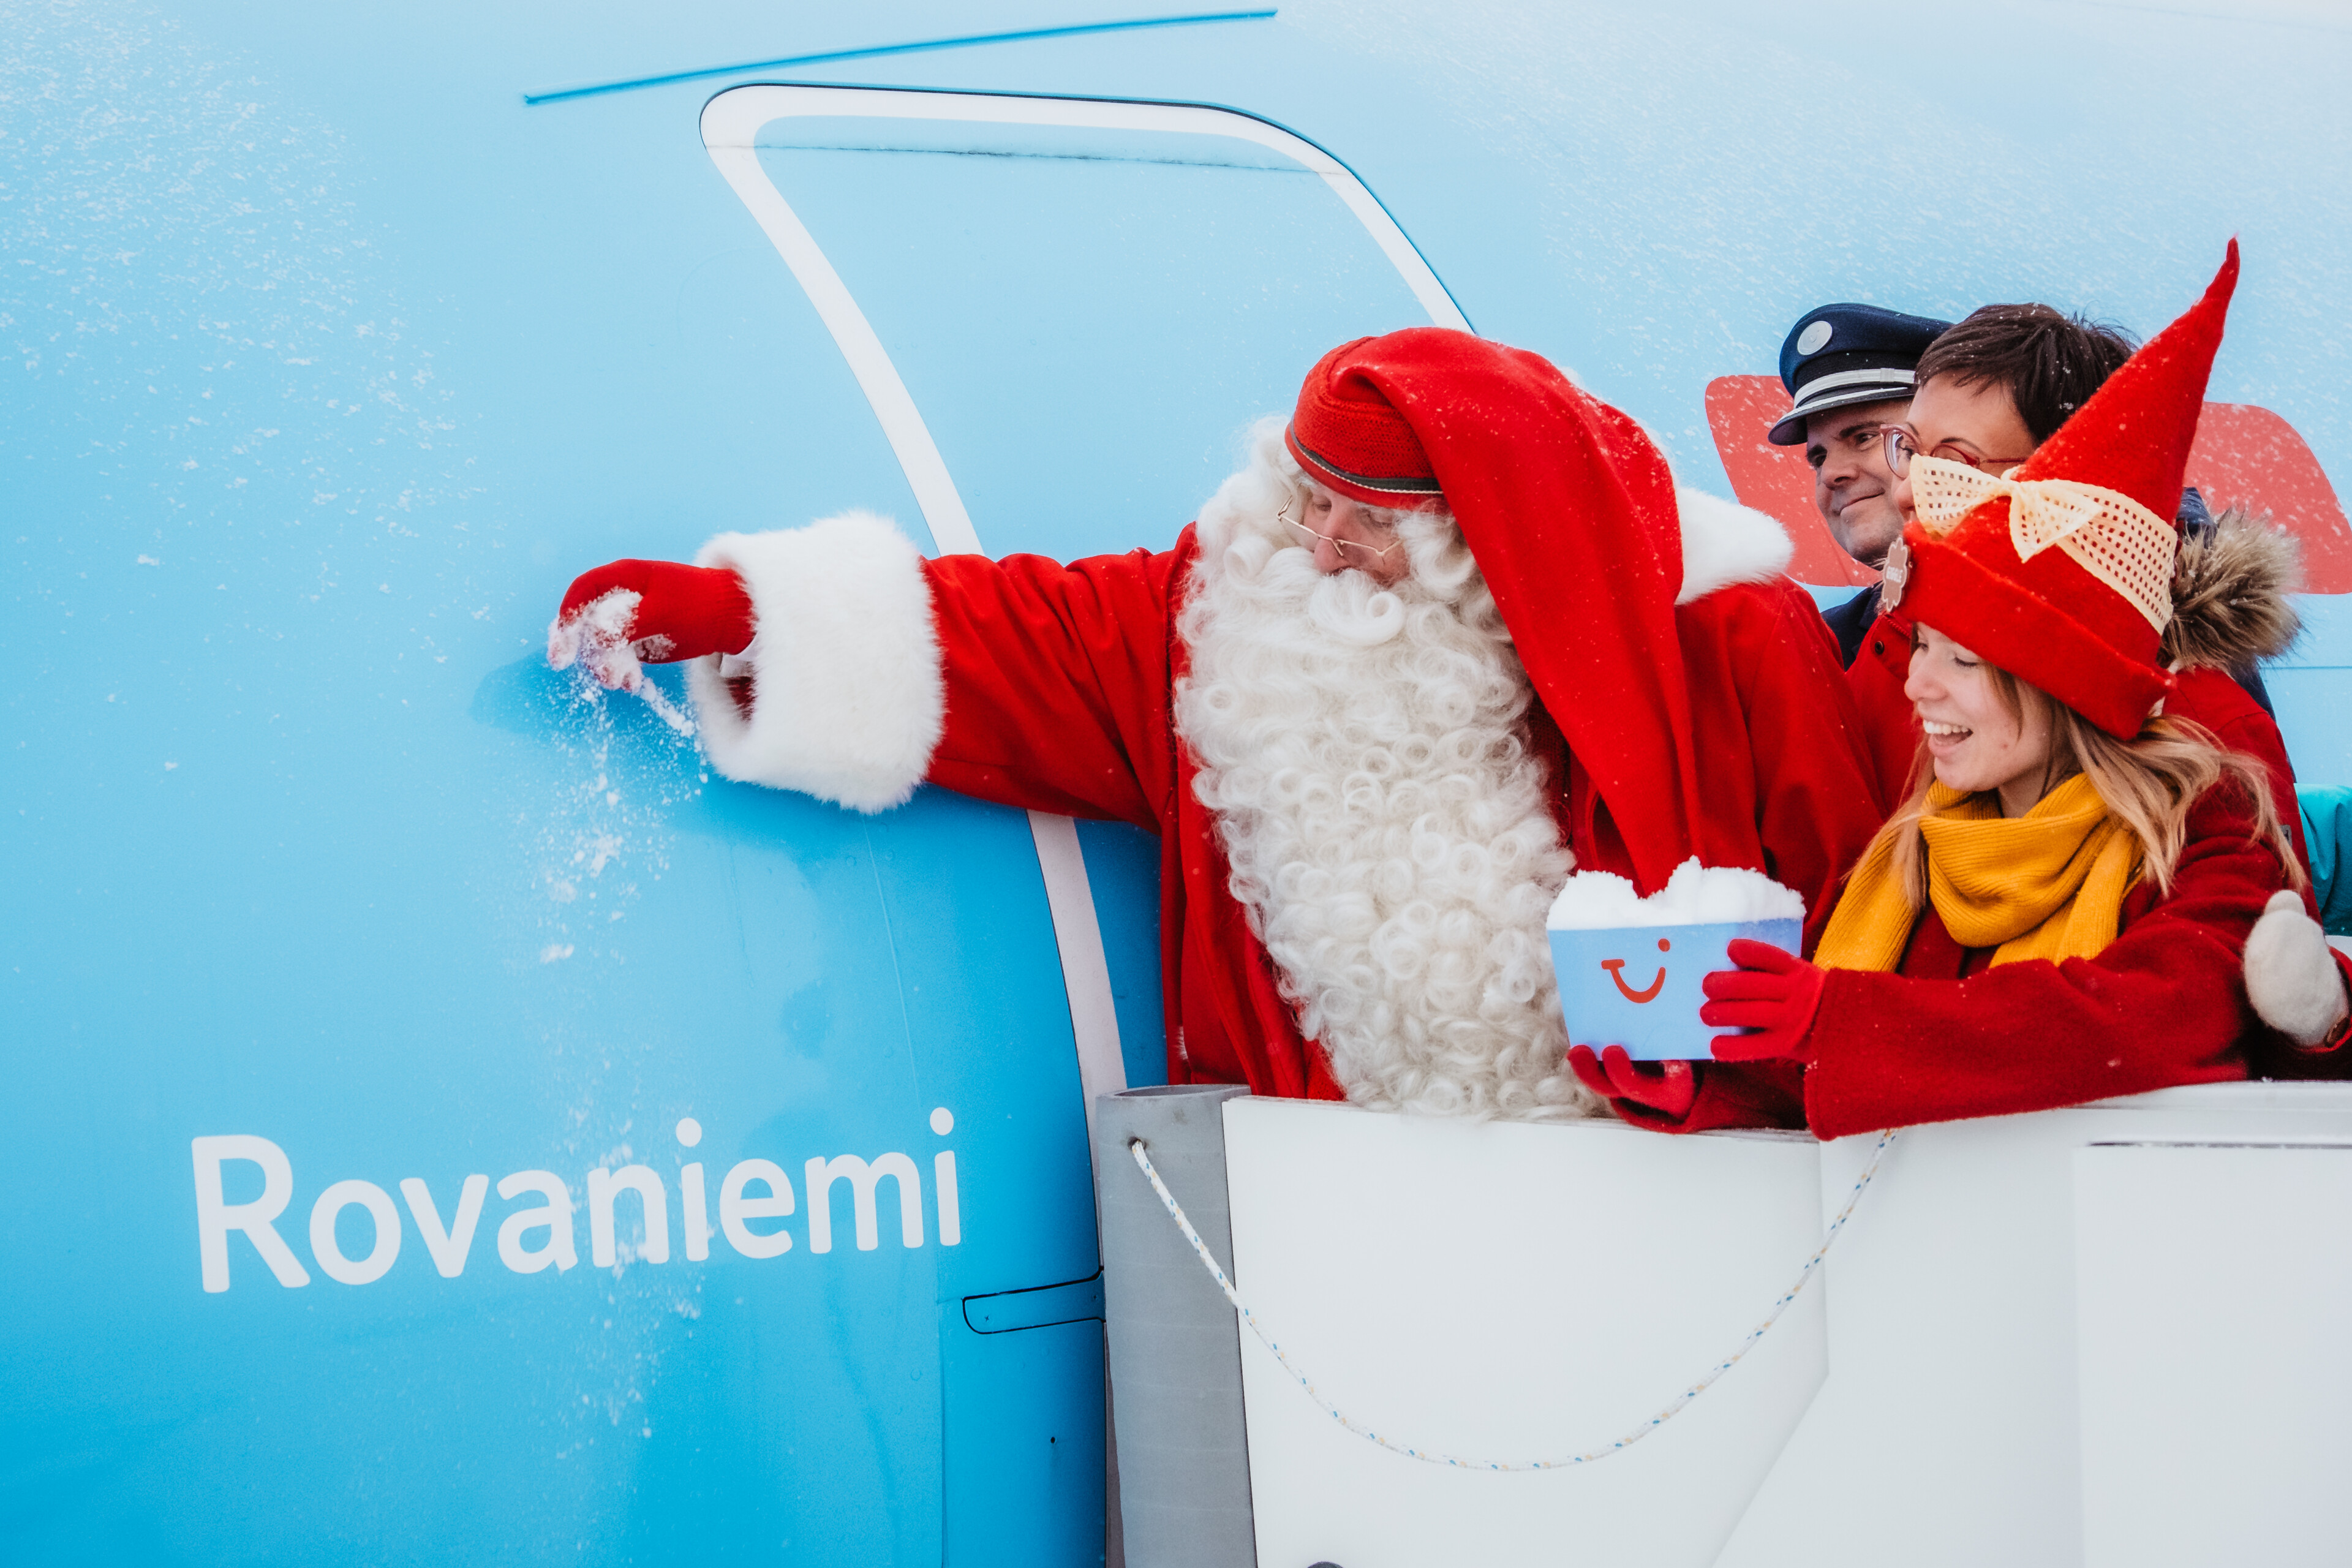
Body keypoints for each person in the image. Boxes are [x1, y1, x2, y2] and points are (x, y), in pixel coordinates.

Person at [548, 330, 1883, 1119]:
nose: (1322, 543)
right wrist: (742, 611)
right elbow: (1023, 636)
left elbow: (1857, 919)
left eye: (1369, 521)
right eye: (1307, 496)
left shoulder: (1724, 646)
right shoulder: (1225, 613)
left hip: (1656, 1226)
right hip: (1333, 1232)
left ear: (1486, 543)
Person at [1571, 244, 2321, 1136]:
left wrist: (1835, 1023)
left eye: (1953, 461)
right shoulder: (1920, 725)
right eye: (1908, 450)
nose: (1906, 481)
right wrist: (1718, 1080)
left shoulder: (2197, 735)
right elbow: (1894, 978)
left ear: (2066, 478)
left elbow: (2179, 999)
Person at [1768, 303, 1952, 801]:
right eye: (1819, 456)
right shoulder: (1821, 649)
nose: (1831, 473)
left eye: (1864, 436)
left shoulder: (2116, 598)